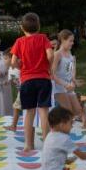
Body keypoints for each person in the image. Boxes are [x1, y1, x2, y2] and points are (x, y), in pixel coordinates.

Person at [11, 13, 54, 152]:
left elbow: (13, 62)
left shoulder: (19, 41)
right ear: (39, 26)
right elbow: (50, 55)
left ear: (22, 28)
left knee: (29, 113)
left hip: (27, 80)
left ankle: (28, 145)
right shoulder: (43, 38)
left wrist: (21, 67)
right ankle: (47, 144)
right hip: (43, 79)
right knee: (44, 112)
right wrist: (49, 67)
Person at [52, 30, 86, 124]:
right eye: (70, 41)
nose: (73, 43)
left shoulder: (70, 54)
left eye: (73, 40)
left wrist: (74, 80)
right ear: (63, 40)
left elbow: (71, 71)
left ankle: (59, 120)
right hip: (59, 87)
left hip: (69, 86)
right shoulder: (57, 54)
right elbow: (52, 74)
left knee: (77, 110)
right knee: (68, 112)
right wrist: (65, 84)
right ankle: (60, 129)